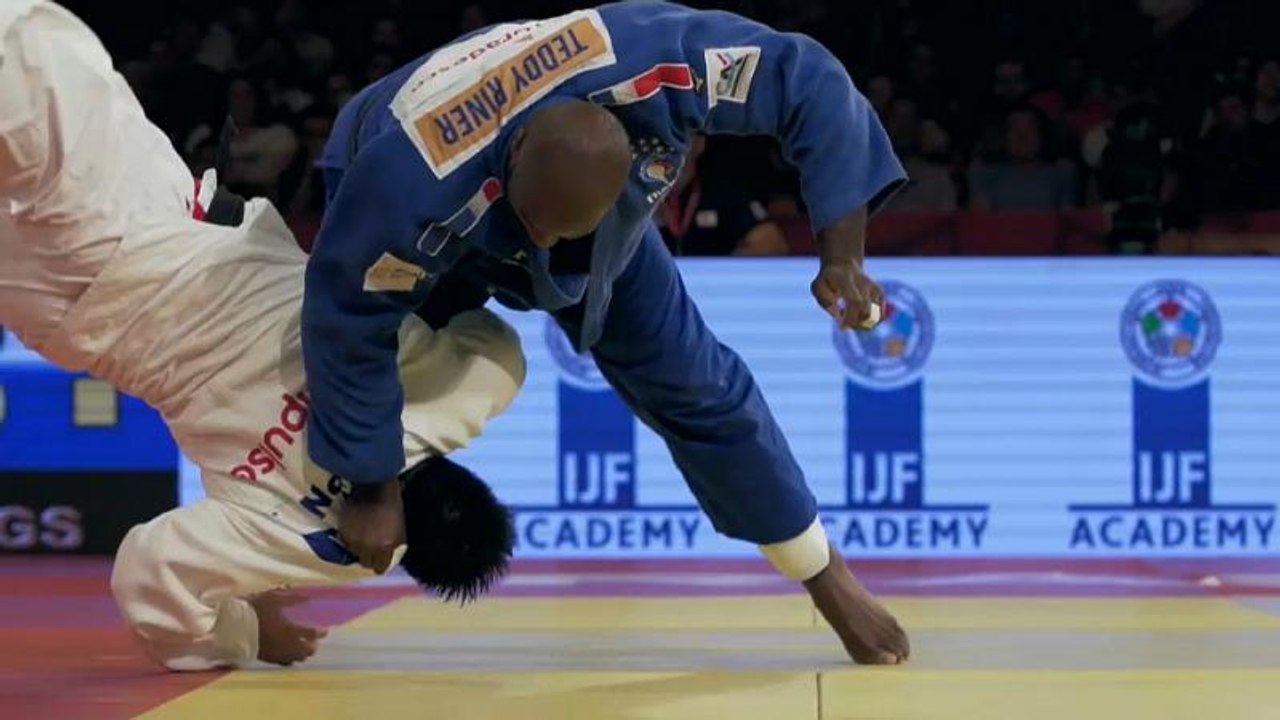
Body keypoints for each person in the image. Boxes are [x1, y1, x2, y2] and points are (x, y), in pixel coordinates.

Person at [309, 2, 911, 664]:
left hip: (601, 231)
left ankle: (826, 576)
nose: (542, 247)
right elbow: (347, 317)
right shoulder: (405, 178)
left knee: (698, 381)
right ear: (513, 163)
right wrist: (371, 482)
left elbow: (810, 78)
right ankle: (275, 558)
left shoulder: (661, 63)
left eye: (558, 235)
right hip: (445, 212)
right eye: (538, 230)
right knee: (345, 385)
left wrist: (844, 254)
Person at [0, 0, 523, 669]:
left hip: (135, 234)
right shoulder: (306, 541)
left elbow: (496, 344)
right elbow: (148, 571)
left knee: (33, 48)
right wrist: (238, 627)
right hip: (75, 312)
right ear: (400, 555)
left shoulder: (462, 389)